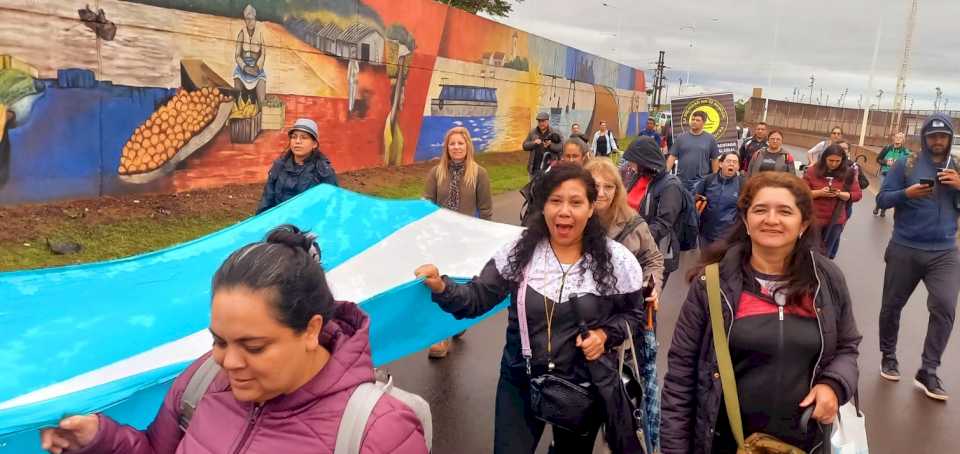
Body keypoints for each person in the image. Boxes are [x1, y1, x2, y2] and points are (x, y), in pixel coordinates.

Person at [40, 225, 428, 454]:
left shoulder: (378, 433)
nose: (227, 362)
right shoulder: (200, 382)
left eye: (253, 347)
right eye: (219, 340)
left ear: (310, 330)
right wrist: (101, 438)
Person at [415, 163, 650, 454]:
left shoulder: (617, 262)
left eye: (576, 202)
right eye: (555, 201)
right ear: (543, 206)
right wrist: (442, 286)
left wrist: (604, 335)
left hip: (581, 386)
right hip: (520, 382)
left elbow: (635, 318)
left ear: (591, 208)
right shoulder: (519, 252)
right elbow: (475, 299)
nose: (564, 211)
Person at [661, 172, 861, 454]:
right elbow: (681, 375)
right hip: (725, 443)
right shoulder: (712, 285)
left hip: (804, 444)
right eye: (760, 210)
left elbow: (847, 347)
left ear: (803, 223)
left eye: (785, 211)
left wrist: (834, 385)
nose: (771, 219)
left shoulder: (826, 279)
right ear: (745, 220)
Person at [876, 113, 960, 401]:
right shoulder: (907, 163)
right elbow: (882, 199)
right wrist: (907, 193)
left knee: (946, 307)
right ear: (924, 138)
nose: (938, 141)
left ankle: (928, 369)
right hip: (906, 247)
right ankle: (888, 355)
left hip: (945, 252)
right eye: (933, 136)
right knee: (892, 305)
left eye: (943, 136)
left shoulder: (958, 167)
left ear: (949, 139)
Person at [585, 157, 665, 451]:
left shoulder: (632, 222)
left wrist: (652, 286)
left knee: (627, 390)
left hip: (626, 324)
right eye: (595, 186)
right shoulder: (574, 217)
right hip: (583, 320)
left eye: (609, 186)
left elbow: (653, 258)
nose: (602, 192)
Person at [423, 127, 494, 357]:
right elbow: (427, 205)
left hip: (466, 240)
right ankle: (441, 338)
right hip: (440, 238)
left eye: (460, 143)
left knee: (461, 284)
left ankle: (457, 321)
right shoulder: (436, 173)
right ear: (447, 147)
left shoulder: (479, 173)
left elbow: (485, 210)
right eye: (452, 144)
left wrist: (483, 238)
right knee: (440, 283)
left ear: (468, 146)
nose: (456, 147)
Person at [622, 137, 684, 285]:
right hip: (630, 249)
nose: (629, 164)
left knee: (646, 300)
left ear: (644, 161)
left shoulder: (670, 186)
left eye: (632, 160)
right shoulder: (636, 177)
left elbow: (663, 223)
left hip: (655, 252)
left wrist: (635, 239)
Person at [256, 118, 338, 214]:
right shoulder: (279, 166)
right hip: (279, 223)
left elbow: (331, 206)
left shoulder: (323, 171)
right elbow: (267, 200)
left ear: (314, 144)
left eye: (304, 137)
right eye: (294, 137)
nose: (297, 141)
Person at [804, 145, 863, 259]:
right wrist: (820, 193)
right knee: (810, 251)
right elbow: (802, 192)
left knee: (825, 254)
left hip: (835, 221)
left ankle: (823, 274)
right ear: (824, 158)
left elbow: (857, 195)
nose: (834, 164)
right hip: (814, 219)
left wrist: (840, 194)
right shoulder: (812, 171)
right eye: (831, 160)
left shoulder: (848, 173)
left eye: (837, 161)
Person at [694, 152, 745, 246]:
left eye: (735, 162)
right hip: (706, 234)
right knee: (707, 260)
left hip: (729, 236)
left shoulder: (742, 184)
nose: (732, 164)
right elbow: (695, 198)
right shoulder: (708, 180)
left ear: (738, 167)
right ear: (721, 164)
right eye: (729, 161)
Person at [667, 111, 720, 193]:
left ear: (704, 123)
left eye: (698, 120)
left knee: (697, 205)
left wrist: (715, 179)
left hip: (701, 181)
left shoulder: (710, 139)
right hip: (682, 180)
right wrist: (665, 174)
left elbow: (715, 160)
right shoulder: (681, 137)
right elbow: (672, 157)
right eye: (693, 119)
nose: (694, 122)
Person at [233, 4, 267, 105]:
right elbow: (237, 55)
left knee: (262, 101)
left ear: (255, 19)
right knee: (236, 99)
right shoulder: (241, 34)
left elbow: (263, 54)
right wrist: (244, 67)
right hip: (243, 69)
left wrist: (257, 67)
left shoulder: (260, 34)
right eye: (247, 19)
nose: (250, 21)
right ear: (244, 20)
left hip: (257, 69)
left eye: (252, 19)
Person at [873, 132, 912, 217]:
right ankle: (877, 206)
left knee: (890, 193)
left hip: (897, 176)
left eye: (900, 138)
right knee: (883, 191)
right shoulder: (887, 148)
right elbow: (878, 159)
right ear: (893, 138)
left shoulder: (906, 152)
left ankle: (883, 209)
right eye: (896, 137)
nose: (898, 139)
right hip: (885, 173)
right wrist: (886, 162)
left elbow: (910, 165)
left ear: (903, 140)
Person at [523, 112, 562, 177]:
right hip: (534, 168)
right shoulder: (532, 132)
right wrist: (533, 143)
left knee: (548, 187)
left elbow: (561, 147)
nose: (541, 123)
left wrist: (550, 145)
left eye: (543, 121)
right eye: (539, 121)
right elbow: (524, 146)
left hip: (550, 169)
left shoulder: (556, 132)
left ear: (548, 121)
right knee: (533, 187)